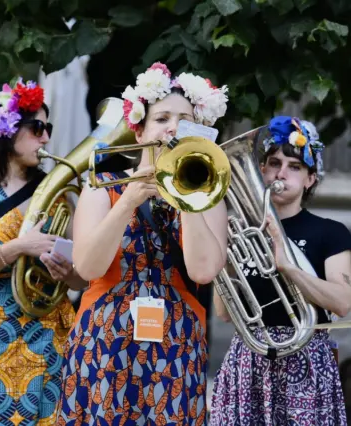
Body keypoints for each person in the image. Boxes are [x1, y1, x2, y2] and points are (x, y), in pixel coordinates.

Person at [57, 62, 230, 425]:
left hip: (177, 345)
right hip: (104, 344)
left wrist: (189, 197)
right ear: (139, 132)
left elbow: (203, 270)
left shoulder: (208, 191)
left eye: (184, 119)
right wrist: (128, 201)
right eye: (162, 118)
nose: (172, 127)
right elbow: (87, 268)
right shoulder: (103, 184)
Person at [0, 78, 87, 425]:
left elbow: (82, 278)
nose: (46, 138)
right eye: (37, 127)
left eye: (48, 128)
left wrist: (65, 272)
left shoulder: (59, 192)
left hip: (49, 337)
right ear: (7, 130)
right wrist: (19, 248)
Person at [210, 116, 351, 426]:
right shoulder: (243, 230)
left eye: (295, 167)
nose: (281, 173)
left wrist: (287, 266)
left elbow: (342, 303)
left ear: (311, 179)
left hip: (306, 358)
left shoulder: (330, 231)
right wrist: (227, 258)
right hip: (249, 357)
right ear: (262, 170)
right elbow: (222, 312)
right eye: (274, 163)